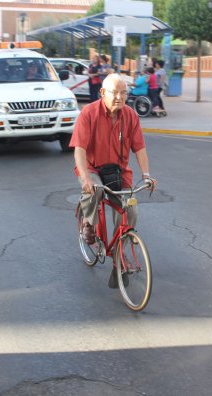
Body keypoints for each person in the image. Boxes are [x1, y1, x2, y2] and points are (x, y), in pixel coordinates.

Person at [70, 73, 157, 288]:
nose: (119, 97)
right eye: (114, 92)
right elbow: (79, 149)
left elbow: (140, 148)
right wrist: (86, 178)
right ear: (102, 93)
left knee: (130, 211)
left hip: (119, 171)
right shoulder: (88, 113)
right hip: (93, 167)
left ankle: (119, 254)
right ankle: (88, 224)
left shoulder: (130, 116)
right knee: (95, 190)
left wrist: (146, 175)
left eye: (123, 92)